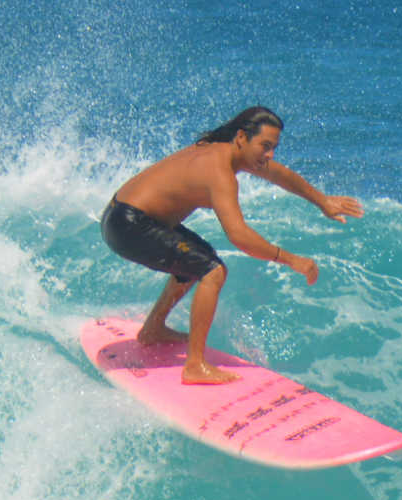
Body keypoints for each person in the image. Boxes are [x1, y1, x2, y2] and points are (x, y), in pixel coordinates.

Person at [100, 106, 364, 385]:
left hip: (125, 215)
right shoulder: (219, 172)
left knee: (197, 260)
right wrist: (292, 260)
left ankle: (153, 330)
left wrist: (322, 201)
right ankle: (195, 366)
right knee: (212, 270)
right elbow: (239, 236)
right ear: (241, 138)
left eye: (274, 147)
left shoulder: (222, 151)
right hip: (130, 225)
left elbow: (279, 174)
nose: (270, 154)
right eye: (265, 146)